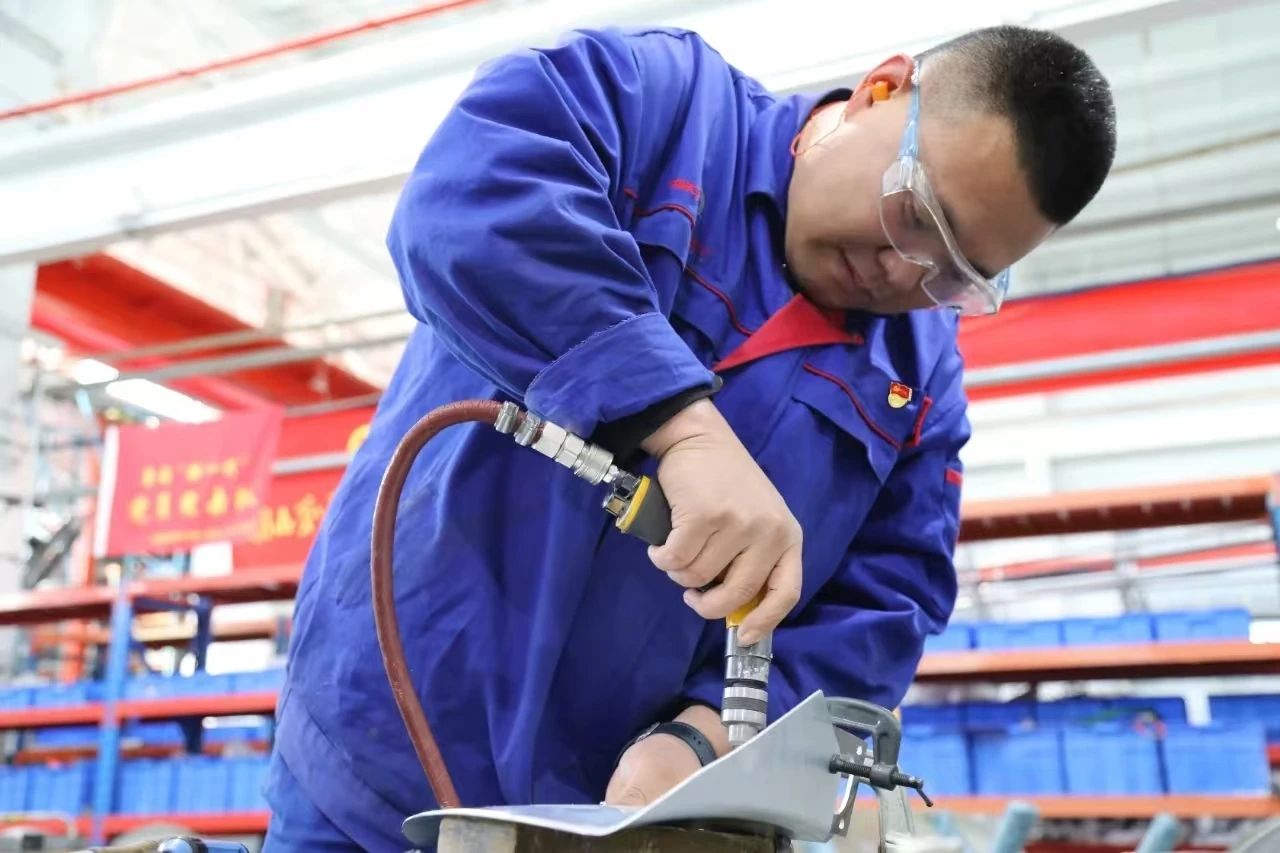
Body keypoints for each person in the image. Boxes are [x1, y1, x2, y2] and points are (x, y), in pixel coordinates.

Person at [262, 22, 1115, 851]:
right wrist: (675, 422)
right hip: (373, 746)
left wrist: (704, 740)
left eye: (955, 275)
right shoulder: (657, 109)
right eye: (917, 212)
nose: (906, 269)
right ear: (880, 91)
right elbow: (475, 199)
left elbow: (883, 605)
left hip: (609, 818)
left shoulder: (918, 382)